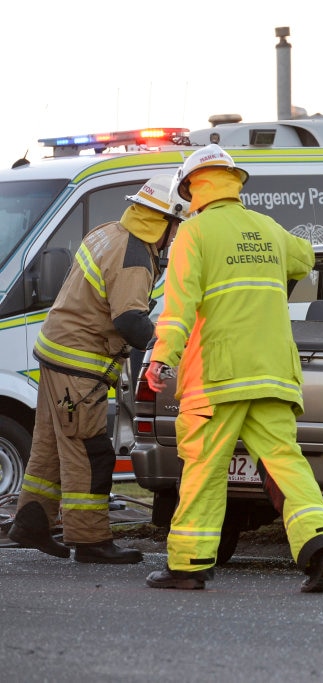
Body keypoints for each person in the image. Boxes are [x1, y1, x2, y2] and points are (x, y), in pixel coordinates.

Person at [143, 144, 323, 592]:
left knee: (203, 468)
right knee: (286, 464)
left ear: (193, 186)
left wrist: (163, 358)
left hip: (217, 377)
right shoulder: (267, 228)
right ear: (234, 182)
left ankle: (189, 564)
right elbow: (305, 257)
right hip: (272, 372)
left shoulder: (193, 235)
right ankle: (319, 547)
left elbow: (178, 309)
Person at [7, 175, 188, 564]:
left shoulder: (109, 232)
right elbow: (129, 321)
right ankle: (90, 541)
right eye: (177, 226)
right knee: (90, 452)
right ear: (165, 221)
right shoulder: (135, 257)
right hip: (79, 367)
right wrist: (171, 346)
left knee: (50, 447)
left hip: (56, 356)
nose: (176, 237)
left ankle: (31, 524)